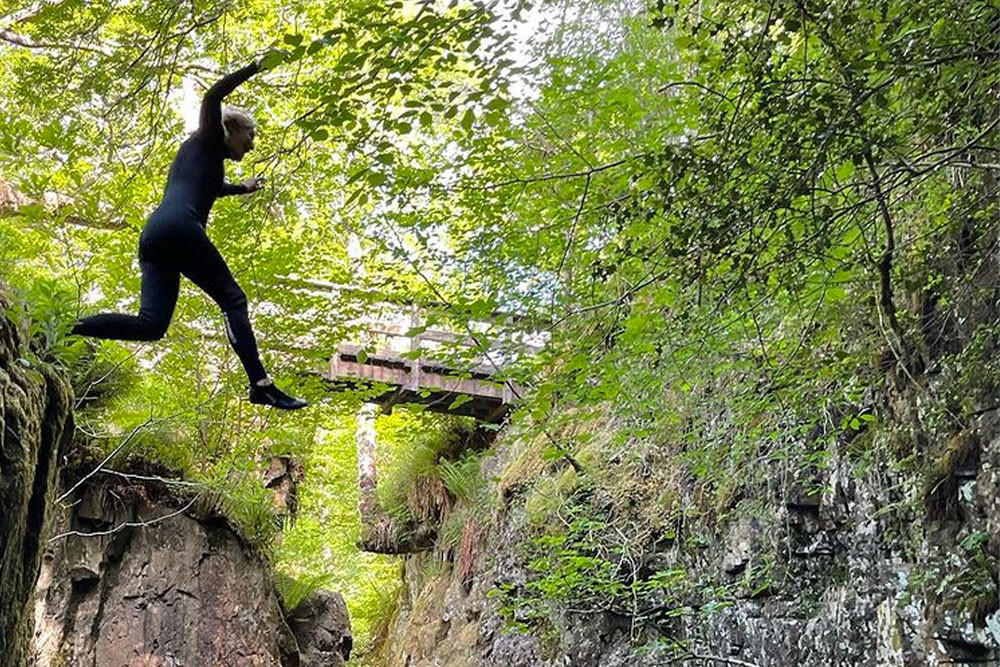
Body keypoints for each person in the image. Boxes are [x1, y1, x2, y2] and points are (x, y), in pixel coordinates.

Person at [72, 58, 307, 410]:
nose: (252, 145)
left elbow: (209, 187)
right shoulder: (209, 137)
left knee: (151, 326)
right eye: (251, 136)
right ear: (232, 128)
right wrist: (256, 66)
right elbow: (213, 97)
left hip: (156, 237)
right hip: (181, 229)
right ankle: (261, 384)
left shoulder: (204, 159)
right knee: (233, 300)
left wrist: (242, 188)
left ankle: (68, 328)